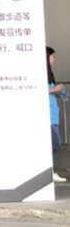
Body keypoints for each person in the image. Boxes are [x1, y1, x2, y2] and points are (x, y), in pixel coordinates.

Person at [48, 48, 66, 183]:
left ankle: (50, 171)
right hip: (46, 115)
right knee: (55, 142)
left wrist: (58, 92)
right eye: (52, 56)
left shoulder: (49, 75)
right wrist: (54, 89)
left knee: (53, 143)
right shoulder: (39, 74)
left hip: (53, 114)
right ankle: (49, 172)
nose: (54, 59)